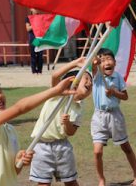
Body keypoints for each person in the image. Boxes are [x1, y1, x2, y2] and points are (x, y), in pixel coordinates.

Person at [0, 72, 76, 186]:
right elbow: (19, 108)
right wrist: (54, 91)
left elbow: (15, 171)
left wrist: (19, 161)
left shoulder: (10, 130)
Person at [29, 57, 92, 186]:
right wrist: (75, 63)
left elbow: (71, 132)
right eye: (86, 79)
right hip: (41, 146)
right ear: (72, 82)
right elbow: (55, 75)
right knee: (43, 183)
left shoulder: (80, 106)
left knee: (71, 181)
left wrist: (67, 123)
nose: (90, 83)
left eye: (91, 81)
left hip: (63, 147)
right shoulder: (58, 93)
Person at [91, 48, 136, 186]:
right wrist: (94, 63)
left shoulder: (118, 77)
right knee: (97, 151)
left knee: (125, 147)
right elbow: (93, 66)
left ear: (114, 62)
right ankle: (101, 179)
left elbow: (125, 96)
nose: (106, 62)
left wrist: (114, 92)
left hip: (115, 115)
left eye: (109, 59)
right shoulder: (96, 75)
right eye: (103, 60)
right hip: (99, 117)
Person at [26, 8, 44, 74]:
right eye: (35, 9)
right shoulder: (28, 18)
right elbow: (28, 29)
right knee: (33, 54)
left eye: (37, 9)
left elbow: (43, 26)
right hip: (33, 38)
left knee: (40, 54)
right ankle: (34, 70)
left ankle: (40, 70)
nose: (37, 10)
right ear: (31, 10)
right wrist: (35, 24)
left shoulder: (40, 17)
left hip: (39, 38)